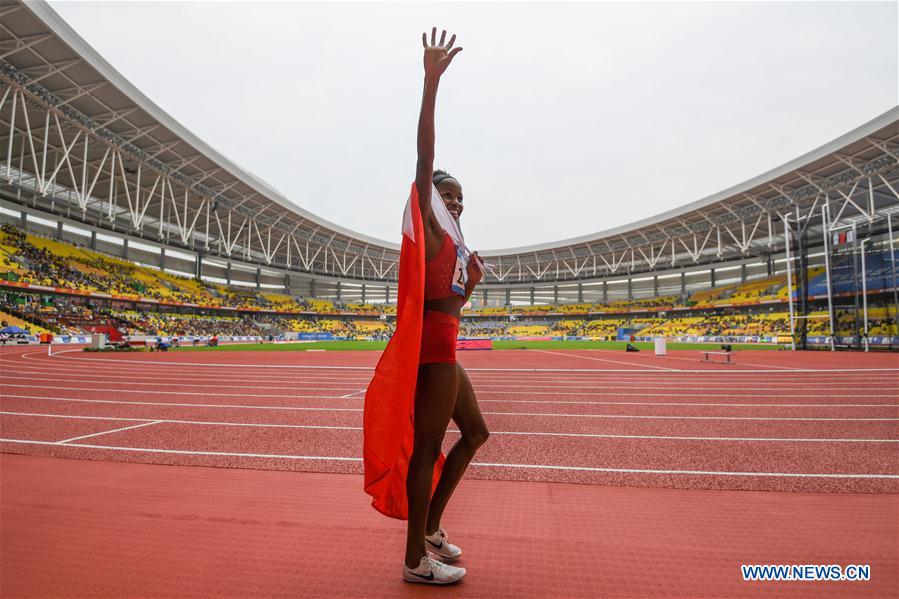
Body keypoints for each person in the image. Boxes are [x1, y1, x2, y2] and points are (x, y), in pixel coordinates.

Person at [363, 28, 488, 586]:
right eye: (448, 194)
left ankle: (432, 527)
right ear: (431, 202)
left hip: (447, 349)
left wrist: (473, 285)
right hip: (432, 354)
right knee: (426, 452)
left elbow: (451, 304)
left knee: (477, 433)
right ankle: (415, 559)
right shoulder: (433, 229)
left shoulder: (457, 250)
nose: (456, 200)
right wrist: (430, 83)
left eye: (461, 195)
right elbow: (424, 156)